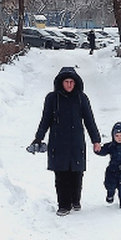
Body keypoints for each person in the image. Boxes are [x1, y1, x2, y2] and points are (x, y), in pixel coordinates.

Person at [29, 66, 102, 216]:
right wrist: (38, 137)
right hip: (58, 141)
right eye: (66, 82)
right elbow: (45, 119)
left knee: (76, 172)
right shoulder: (52, 98)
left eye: (71, 82)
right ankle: (63, 205)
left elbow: (89, 120)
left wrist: (96, 140)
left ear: (76, 83)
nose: (69, 84)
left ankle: (75, 199)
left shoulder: (82, 98)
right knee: (61, 174)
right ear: (60, 83)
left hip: (76, 141)